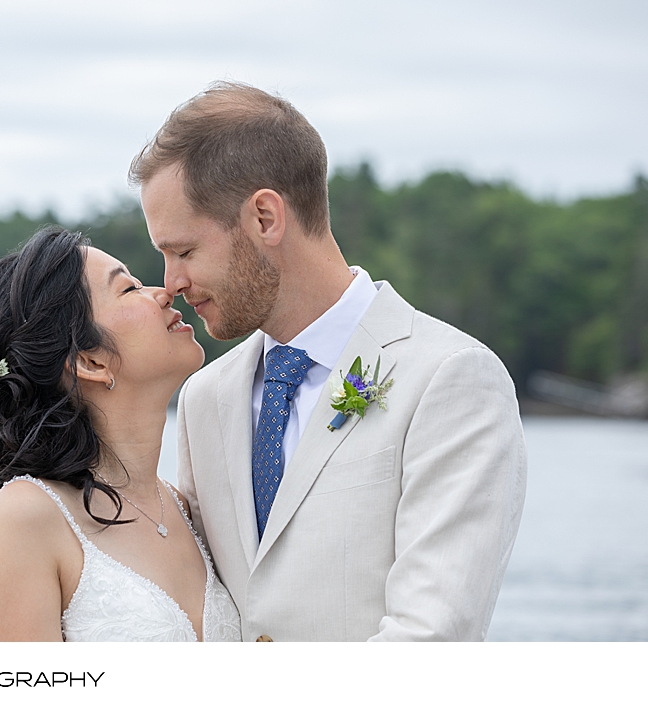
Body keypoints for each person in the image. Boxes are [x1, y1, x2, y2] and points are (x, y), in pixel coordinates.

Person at [130, 81, 527, 641]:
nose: (172, 282)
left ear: (265, 218)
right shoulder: (205, 396)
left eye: (184, 251)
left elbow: (433, 638)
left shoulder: (451, 377)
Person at [0, 225, 241, 641]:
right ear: (90, 361)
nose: (163, 293)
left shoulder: (183, 506)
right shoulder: (29, 515)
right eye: (128, 289)